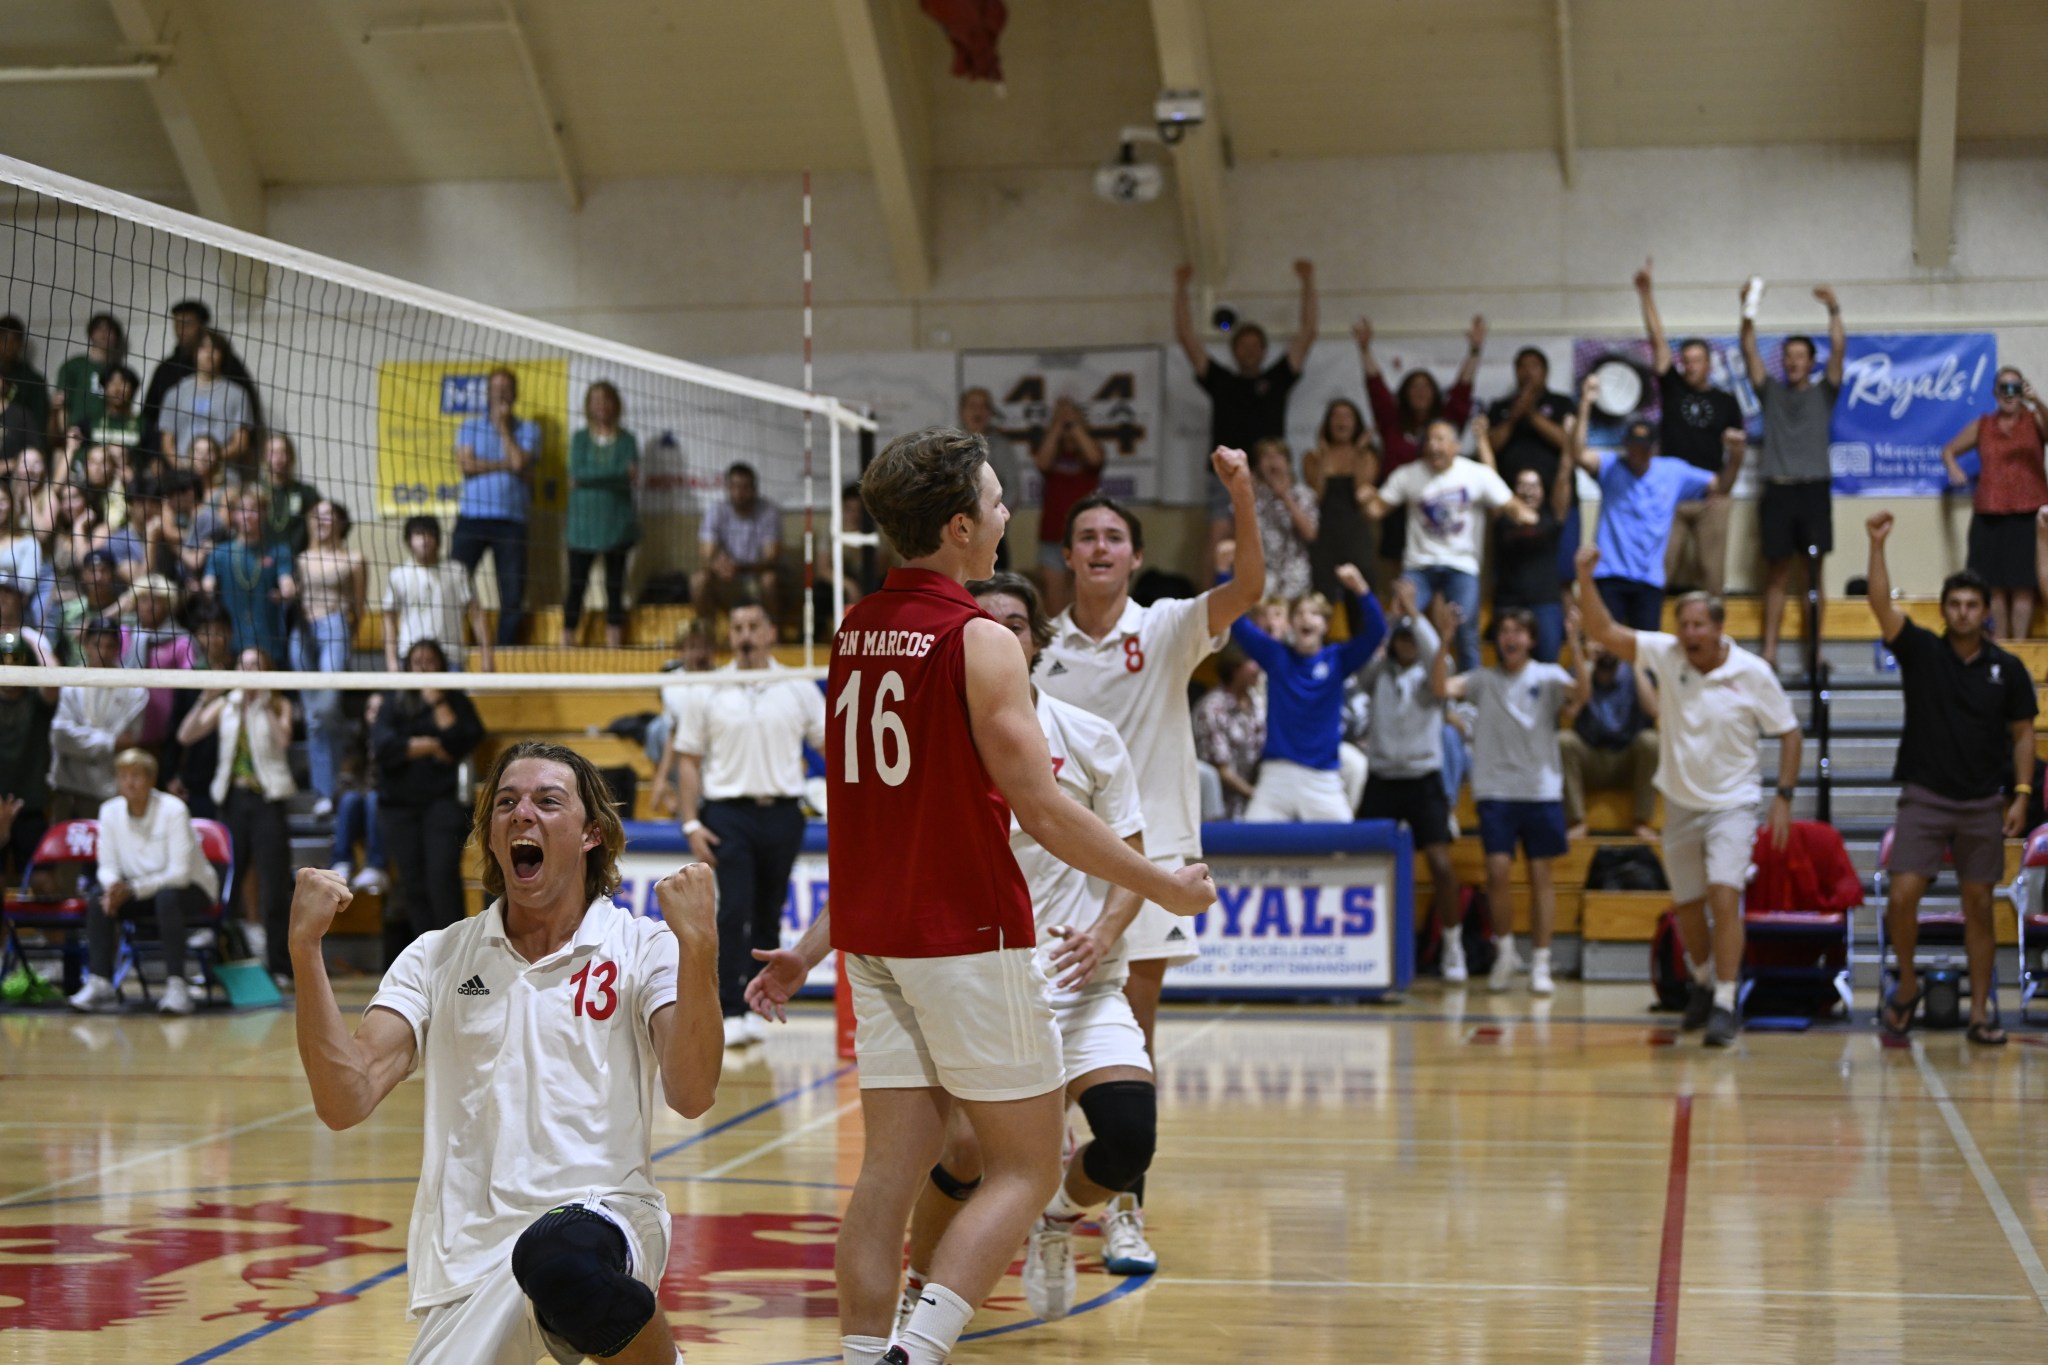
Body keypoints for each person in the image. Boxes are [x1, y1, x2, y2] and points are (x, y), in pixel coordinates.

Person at [815, 426, 1215, 1365]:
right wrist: (1164, 883)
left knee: (887, 1175)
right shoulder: (980, 640)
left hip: (874, 934)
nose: (1006, 515)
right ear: (959, 526)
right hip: (962, 929)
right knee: (1029, 1168)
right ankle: (917, 1350)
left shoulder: (854, 629)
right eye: (996, 501)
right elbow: (1042, 809)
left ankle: (865, 1356)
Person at [754, 571, 1164, 1322]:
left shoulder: (1089, 736)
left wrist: (1106, 931)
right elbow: (885, 866)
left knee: (1129, 1136)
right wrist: (805, 954)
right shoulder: (934, 737)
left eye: (1016, 623)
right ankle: (920, 1296)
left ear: (1037, 642)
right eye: (987, 621)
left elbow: (1127, 854)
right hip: (981, 967)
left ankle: (1056, 1218)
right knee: (969, 1154)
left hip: (1076, 977)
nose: (1001, 633)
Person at [288, 746, 722, 1365]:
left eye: (548, 801)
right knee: (541, 1261)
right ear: (491, 835)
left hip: (605, 1215)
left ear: (592, 834)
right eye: (506, 803)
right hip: (468, 1257)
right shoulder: (436, 956)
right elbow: (343, 1099)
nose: (522, 813)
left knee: (560, 1260)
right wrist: (305, 950)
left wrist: (699, 947)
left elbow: (693, 1092)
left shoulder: (641, 945)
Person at [1038, 453, 1266, 1268]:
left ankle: (1123, 1206)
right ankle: (1050, 1188)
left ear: (1135, 555)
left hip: (1151, 865)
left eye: (1114, 536)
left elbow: (1249, 588)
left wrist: (1242, 494)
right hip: (1057, 869)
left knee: (1130, 1040)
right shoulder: (1038, 649)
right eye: (1086, 536)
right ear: (1068, 554)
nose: (1100, 547)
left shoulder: (1165, 628)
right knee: (1047, 1037)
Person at [1576, 543, 1801, 1047]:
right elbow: (1603, 632)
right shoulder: (1666, 654)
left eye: (1699, 625)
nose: (1690, 633)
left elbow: (1790, 733)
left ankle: (1725, 999)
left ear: (1719, 628)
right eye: (1684, 625)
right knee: (1688, 906)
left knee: (1725, 893)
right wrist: (1585, 578)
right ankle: (1701, 982)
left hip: (1733, 802)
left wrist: (1783, 796)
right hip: (1679, 800)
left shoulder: (1752, 673)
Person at [1865, 513, 2036, 1045]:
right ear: (1944, 610)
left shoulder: (2008, 669)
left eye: (1972, 605)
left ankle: (1981, 1012)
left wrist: (2022, 794)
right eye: (1955, 604)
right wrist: (1876, 545)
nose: (1963, 611)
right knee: (1902, 896)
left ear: (1985, 613)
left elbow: (2023, 735)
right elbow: (1879, 604)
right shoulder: (1921, 651)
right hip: (1925, 797)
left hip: (1982, 802)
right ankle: (1907, 986)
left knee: (1979, 906)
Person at [668, 600, 823, 1048]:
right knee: (733, 910)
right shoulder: (708, 689)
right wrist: (690, 824)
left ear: (771, 632)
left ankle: (759, 1002)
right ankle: (729, 1007)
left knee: (769, 913)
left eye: (754, 625)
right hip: (727, 814)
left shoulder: (796, 685)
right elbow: (688, 760)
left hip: (783, 813)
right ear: (730, 635)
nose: (745, 634)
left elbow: (829, 743)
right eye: (737, 627)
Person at [1435, 605, 1589, 996]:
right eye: (1504, 630)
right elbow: (1440, 689)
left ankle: (1541, 962)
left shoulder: (1548, 675)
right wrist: (1445, 640)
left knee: (1541, 876)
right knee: (1497, 871)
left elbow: (1582, 693)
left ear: (1531, 639)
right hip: (1495, 790)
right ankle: (1505, 953)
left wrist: (1574, 643)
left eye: (1518, 630)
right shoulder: (1483, 679)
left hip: (1540, 789)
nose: (1511, 637)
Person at [1570, 379, 1745, 632]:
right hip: (1610, 575)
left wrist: (1736, 456)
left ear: (1653, 449)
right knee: (1603, 645)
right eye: (1632, 447)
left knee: (1648, 649)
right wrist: (1585, 404)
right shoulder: (1611, 467)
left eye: (1642, 449)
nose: (1636, 454)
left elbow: (1721, 487)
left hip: (1649, 580)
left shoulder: (1673, 472)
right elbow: (1579, 455)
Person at [1364, 417, 1536, 672]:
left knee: (1466, 630)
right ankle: (1384, 684)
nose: (1434, 445)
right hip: (1419, 565)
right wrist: (1366, 497)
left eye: (1441, 439)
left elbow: (1507, 502)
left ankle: (1470, 689)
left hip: (1461, 565)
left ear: (1456, 446)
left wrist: (1523, 513)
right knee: (1399, 624)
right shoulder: (1408, 474)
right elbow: (1377, 509)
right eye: (1429, 440)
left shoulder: (1476, 474)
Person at [1174, 260, 1317, 565]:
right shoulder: (1220, 381)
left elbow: (1308, 332)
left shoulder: (1277, 379)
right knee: (1218, 539)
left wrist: (1307, 281)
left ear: (1264, 350)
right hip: (1225, 474)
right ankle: (1208, 596)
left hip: (1268, 474)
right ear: (1234, 350)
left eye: (1255, 345)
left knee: (1264, 542)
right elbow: (1186, 337)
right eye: (1243, 345)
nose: (1249, 351)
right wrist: (1181, 287)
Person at [1357, 585, 1464, 976]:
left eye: (1411, 637)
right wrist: (1391, 618)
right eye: (1400, 638)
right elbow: (1363, 663)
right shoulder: (1377, 674)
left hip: (1423, 778)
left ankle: (1452, 944)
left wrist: (1416, 615)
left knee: (1440, 863)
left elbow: (1436, 650)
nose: (1406, 644)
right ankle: (1367, 944)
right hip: (1382, 778)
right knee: (1365, 859)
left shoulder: (1435, 672)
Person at [66, 749, 220, 1016]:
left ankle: (177, 986)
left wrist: (131, 889)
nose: (129, 782)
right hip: (137, 890)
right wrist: (114, 888)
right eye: (123, 776)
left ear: (151, 780)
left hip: (192, 889)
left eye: (136, 776)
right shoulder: (109, 811)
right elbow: (106, 867)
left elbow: (179, 874)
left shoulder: (174, 809)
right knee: (97, 896)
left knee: (168, 897)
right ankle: (100, 983)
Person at [1741, 284, 1846, 674]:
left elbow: (1840, 350)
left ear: (1811, 362)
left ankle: (1814, 654)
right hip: (1778, 490)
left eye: (1801, 356)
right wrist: (1747, 309)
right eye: (1788, 356)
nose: (1793, 361)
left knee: (1814, 575)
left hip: (1814, 490)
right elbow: (1749, 351)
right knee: (1777, 574)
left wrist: (1834, 309)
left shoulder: (1825, 392)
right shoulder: (1770, 392)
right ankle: (1769, 652)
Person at [176, 646, 297, 982]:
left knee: (273, 887)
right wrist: (206, 698)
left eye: (255, 665)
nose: (248, 671)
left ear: (267, 670)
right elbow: (185, 735)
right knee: (225, 884)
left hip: (267, 799)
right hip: (231, 800)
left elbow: (284, 740)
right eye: (243, 665)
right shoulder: (226, 704)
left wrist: (263, 702)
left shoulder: (279, 704)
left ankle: (279, 967)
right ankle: (221, 966)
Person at [1233, 567, 1386, 821]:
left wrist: (1360, 588)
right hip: (1276, 776)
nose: (1306, 618)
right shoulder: (1276, 656)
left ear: (1325, 625)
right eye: (1299, 613)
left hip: (1322, 778)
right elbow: (1238, 625)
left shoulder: (1338, 659)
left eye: (1314, 614)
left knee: (1345, 844)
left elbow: (1376, 632)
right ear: (1291, 624)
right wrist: (1223, 573)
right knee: (1250, 845)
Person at [1634, 259, 1746, 595]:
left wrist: (1723, 491)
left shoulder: (1726, 402)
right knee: (1660, 570)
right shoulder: (1673, 388)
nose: (1690, 366)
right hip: (1671, 493)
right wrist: (1646, 294)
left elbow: (1735, 455)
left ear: (1709, 364)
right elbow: (1657, 340)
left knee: (1712, 577)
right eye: (1686, 361)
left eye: (1697, 360)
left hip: (1711, 496)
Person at [372, 639, 486, 951]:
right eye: (417, 661)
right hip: (398, 807)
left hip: (442, 804)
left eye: (430, 660)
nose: (423, 667)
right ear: (407, 666)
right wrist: (432, 746)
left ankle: (457, 954)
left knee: (442, 878)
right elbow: (384, 748)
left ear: (442, 665)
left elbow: (463, 739)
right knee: (413, 885)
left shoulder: (454, 699)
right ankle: (428, 958)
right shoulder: (394, 700)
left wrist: (437, 703)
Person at [1358, 315, 1484, 586]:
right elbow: (1376, 388)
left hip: (1438, 504)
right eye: (1414, 386)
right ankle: (1405, 611)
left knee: (1437, 569)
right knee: (1399, 570)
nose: (1420, 391)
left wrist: (1474, 351)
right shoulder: (1392, 421)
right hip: (1396, 504)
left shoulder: (1445, 421)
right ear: (1404, 393)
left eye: (1426, 386)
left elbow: (1463, 390)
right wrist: (1365, 350)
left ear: (1435, 393)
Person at [1942, 367, 2048, 640]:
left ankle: (2020, 645)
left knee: (2024, 585)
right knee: (1994, 585)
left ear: (2022, 390)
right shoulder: (1984, 425)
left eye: (2015, 387)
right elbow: (1948, 450)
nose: (2009, 394)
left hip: (2028, 512)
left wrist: (2037, 401)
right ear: (1995, 392)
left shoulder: (2034, 420)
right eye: (2004, 388)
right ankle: (1999, 645)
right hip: (1989, 513)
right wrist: (1953, 467)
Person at [452, 366, 539, 648]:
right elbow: (466, 465)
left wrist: (503, 427)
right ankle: (453, 648)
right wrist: (505, 465)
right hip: (472, 518)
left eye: (506, 388)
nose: (501, 392)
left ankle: (504, 655)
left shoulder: (529, 429)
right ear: (487, 392)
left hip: (511, 521)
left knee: (512, 596)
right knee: (454, 585)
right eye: (496, 387)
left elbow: (519, 462)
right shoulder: (469, 427)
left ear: (515, 394)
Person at [1481, 413, 1575, 662]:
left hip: (1545, 602)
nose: (1528, 490)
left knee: (1548, 668)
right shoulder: (1503, 515)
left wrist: (1568, 439)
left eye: (1534, 485)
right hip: (1508, 603)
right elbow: (1490, 477)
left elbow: (1565, 472)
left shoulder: (1553, 515)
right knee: (1506, 669)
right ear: (1513, 490)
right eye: (1522, 485)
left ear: (1543, 491)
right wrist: (1481, 439)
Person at [293, 499, 366, 817]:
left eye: (328, 516)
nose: (322, 521)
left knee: (327, 707)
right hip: (302, 632)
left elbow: (359, 607)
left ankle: (340, 768)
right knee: (314, 716)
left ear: (340, 522)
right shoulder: (301, 558)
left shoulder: (354, 558)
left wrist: (345, 636)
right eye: (317, 515)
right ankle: (324, 791)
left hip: (336, 626)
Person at [1485, 346, 1576, 578]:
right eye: (1522, 366)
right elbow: (1490, 445)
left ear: (1545, 371)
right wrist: (1514, 416)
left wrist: (1532, 414)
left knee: (1563, 572)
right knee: (1508, 570)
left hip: (1557, 500)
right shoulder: (1501, 407)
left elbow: (1569, 444)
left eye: (1534, 366)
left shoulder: (1561, 403)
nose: (1528, 372)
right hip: (1512, 501)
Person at [48, 618, 147, 823]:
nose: (103, 652)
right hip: (66, 789)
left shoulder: (135, 691)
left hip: (108, 792)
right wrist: (110, 742)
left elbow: (128, 742)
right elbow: (59, 737)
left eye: (110, 646)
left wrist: (80, 739)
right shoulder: (70, 681)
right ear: (85, 645)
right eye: (97, 644)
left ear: (118, 648)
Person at [565, 380, 640, 649]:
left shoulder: (627, 440)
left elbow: (629, 476)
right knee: (576, 585)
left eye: (606, 399)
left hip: (616, 525)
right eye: (595, 400)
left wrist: (588, 479)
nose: (601, 405)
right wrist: (615, 475)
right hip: (582, 526)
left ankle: (614, 645)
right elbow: (576, 471)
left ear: (615, 404)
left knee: (615, 586)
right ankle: (566, 642)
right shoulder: (580, 438)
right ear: (588, 405)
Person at [1561, 640, 1661, 840]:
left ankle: (1641, 822)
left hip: (1627, 760)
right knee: (1564, 741)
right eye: (1599, 642)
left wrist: (1635, 662)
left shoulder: (1637, 672)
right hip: (1591, 758)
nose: (1605, 648)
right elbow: (1570, 713)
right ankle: (1577, 821)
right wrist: (1588, 666)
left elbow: (1653, 710)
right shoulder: (1578, 672)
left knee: (1651, 741)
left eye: (1609, 642)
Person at [140, 300, 262, 461]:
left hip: (223, 466)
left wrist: (211, 459)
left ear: (202, 325)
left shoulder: (232, 370)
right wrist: (155, 457)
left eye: (187, 324)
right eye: (177, 324)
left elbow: (243, 431)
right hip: (181, 466)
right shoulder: (167, 370)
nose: (181, 330)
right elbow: (152, 418)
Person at [384, 514, 493, 673]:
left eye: (429, 534)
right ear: (408, 541)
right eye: (418, 534)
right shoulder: (398, 575)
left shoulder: (457, 571)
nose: (424, 540)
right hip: (410, 657)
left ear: (438, 539)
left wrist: (487, 657)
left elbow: (476, 614)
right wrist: (391, 661)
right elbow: (389, 618)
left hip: (451, 657)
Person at [1027, 397, 1102, 615]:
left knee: (1084, 605)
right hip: (1052, 537)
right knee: (1055, 609)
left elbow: (1094, 459)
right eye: (1062, 420)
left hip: (1086, 538)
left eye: (1072, 421)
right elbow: (1042, 462)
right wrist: (1058, 425)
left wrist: (1074, 424)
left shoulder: (1093, 448)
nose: (1067, 426)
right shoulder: (1052, 450)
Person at [1303, 398, 1378, 603]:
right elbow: (1317, 496)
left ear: (1356, 423)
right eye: (1335, 416)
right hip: (1324, 535)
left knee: (1360, 597)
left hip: (1355, 534)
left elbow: (1359, 495)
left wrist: (1358, 454)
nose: (1341, 421)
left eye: (1347, 416)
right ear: (1327, 423)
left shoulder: (1367, 456)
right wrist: (1324, 457)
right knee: (1321, 598)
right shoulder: (1312, 457)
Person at [693, 461, 783, 620]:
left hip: (755, 577)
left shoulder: (768, 512)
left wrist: (741, 568)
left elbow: (772, 558)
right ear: (727, 488)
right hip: (725, 580)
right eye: (734, 486)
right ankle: (707, 630)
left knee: (770, 580)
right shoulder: (716, 511)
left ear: (754, 489)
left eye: (745, 487)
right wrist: (718, 564)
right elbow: (706, 554)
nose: (739, 492)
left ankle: (772, 630)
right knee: (698, 580)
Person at [0, 632, 55, 884]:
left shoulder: (37, 702)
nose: (10, 670)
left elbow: (54, 679)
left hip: (30, 806)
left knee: (44, 882)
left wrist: (34, 640)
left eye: (17, 662)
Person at [158, 330, 255, 468]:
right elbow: (167, 442)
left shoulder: (237, 394)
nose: (208, 353)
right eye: (203, 347)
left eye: (214, 348)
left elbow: (241, 442)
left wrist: (209, 459)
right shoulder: (175, 393)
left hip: (223, 472)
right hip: (184, 472)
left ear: (222, 354)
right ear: (194, 353)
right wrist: (182, 468)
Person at [1192, 644, 1264, 820]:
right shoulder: (1211, 708)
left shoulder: (1257, 702)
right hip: (1220, 808)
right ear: (1235, 668)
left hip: (1254, 799)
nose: (1259, 668)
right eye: (1252, 662)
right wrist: (1257, 796)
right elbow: (1221, 770)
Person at [1250, 438, 1318, 601]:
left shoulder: (1303, 494)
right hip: (1262, 576)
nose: (1272, 461)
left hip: (1295, 576)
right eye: (1266, 456)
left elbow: (1310, 534)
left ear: (1287, 462)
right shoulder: (1253, 496)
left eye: (1277, 455)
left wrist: (1284, 496)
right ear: (1258, 465)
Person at [956, 387, 1013, 572]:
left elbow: (1014, 490)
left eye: (983, 406)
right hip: (957, 532)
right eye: (972, 406)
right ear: (962, 411)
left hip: (994, 533)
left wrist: (989, 516)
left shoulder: (1002, 446)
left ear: (990, 413)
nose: (978, 412)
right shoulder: (950, 445)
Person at [52, 313, 125, 442]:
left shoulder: (119, 372)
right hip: (77, 433)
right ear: (91, 333)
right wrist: (66, 435)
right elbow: (62, 404)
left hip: (106, 435)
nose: (104, 334)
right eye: (99, 329)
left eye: (109, 330)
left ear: (116, 337)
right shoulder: (74, 366)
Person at [257, 432, 321, 555]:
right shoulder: (256, 491)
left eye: (283, 452)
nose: (278, 458)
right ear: (265, 457)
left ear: (291, 456)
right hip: (263, 558)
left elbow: (318, 526)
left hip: (298, 557)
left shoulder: (306, 492)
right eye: (273, 453)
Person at [0, 316, 50, 443]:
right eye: (4, 339)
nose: (9, 346)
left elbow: (39, 423)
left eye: (15, 341)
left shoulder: (33, 380)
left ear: (21, 344)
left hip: (20, 444)